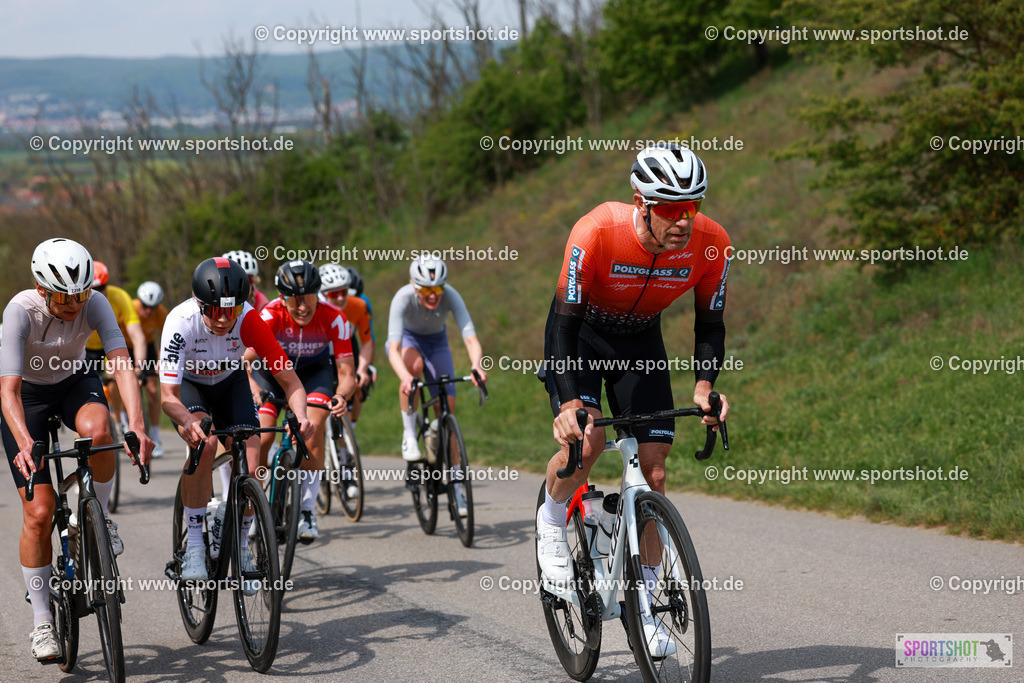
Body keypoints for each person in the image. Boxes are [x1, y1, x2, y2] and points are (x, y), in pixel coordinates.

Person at [536, 144, 731, 656]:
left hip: (640, 343)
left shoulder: (713, 243)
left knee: (655, 472)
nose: (683, 221)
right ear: (640, 201)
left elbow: (710, 324)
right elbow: (563, 325)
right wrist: (567, 405)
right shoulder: (596, 231)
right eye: (670, 208)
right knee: (587, 441)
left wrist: (705, 387)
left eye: (692, 207)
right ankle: (551, 521)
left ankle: (644, 604)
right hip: (580, 336)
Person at [2, 238, 154, 660]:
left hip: (73, 382)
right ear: (41, 287)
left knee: (101, 430)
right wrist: (24, 443)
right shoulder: (19, 311)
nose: (75, 304)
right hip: (27, 397)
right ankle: (41, 621)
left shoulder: (95, 303)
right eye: (64, 297)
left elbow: (121, 362)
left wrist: (138, 426)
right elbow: (8, 390)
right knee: (39, 512)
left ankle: (97, 516)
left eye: (81, 294)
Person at [160, 257, 313, 583]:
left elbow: (292, 383)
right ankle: (195, 545)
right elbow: (168, 397)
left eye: (231, 311)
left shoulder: (250, 319)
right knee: (206, 443)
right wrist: (188, 422)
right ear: (200, 303)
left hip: (231, 383)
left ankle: (242, 545)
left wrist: (301, 416)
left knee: (253, 463)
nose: (223, 319)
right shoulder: (180, 322)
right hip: (191, 388)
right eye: (215, 311)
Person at [248, 260, 356, 542]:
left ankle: (307, 510)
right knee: (262, 436)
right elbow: (244, 360)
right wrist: (250, 382)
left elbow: (348, 374)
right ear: (281, 298)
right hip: (271, 375)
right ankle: (253, 504)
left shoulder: (335, 318)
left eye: (309, 297)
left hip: (313, 375)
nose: (303, 307)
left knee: (313, 428)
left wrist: (341, 396)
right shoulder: (269, 315)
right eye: (295, 299)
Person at [386, 256, 487, 516]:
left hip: (437, 343)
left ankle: (457, 487)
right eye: (426, 290)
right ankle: (410, 434)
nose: (433, 295)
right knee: (414, 367)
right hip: (408, 342)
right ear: (414, 286)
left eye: (438, 289)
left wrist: (476, 365)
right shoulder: (402, 298)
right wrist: (405, 377)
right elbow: (394, 349)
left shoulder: (451, 295)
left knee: (447, 416)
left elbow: (471, 339)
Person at [215, 250, 270, 498]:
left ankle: (251, 490)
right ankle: (226, 491)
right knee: (218, 434)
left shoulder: (262, 303)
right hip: (219, 362)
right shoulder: (217, 301)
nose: (242, 285)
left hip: (251, 359)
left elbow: (260, 345)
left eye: (247, 280)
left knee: (252, 428)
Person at [85, 261, 147, 426]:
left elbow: (137, 336)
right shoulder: (78, 299)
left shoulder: (120, 296)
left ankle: (118, 419)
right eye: (93, 289)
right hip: (84, 349)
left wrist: (139, 368)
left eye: (101, 288)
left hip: (107, 348)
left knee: (114, 373)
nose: (98, 293)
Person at [318, 264, 376, 425]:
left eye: (343, 292)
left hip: (346, 348)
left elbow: (367, 342)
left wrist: (362, 369)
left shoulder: (359, 305)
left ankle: (350, 428)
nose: (340, 298)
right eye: (333, 294)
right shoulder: (314, 308)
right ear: (323, 293)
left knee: (359, 383)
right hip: (321, 352)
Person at [133, 281, 168, 457]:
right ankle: (123, 423)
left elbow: (166, 339)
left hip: (148, 347)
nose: (148, 311)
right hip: (127, 347)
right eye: (145, 306)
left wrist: (160, 361)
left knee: (153, 390)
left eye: (153, 307)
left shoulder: (161, 313)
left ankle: (155, 435)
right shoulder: (131, 307)